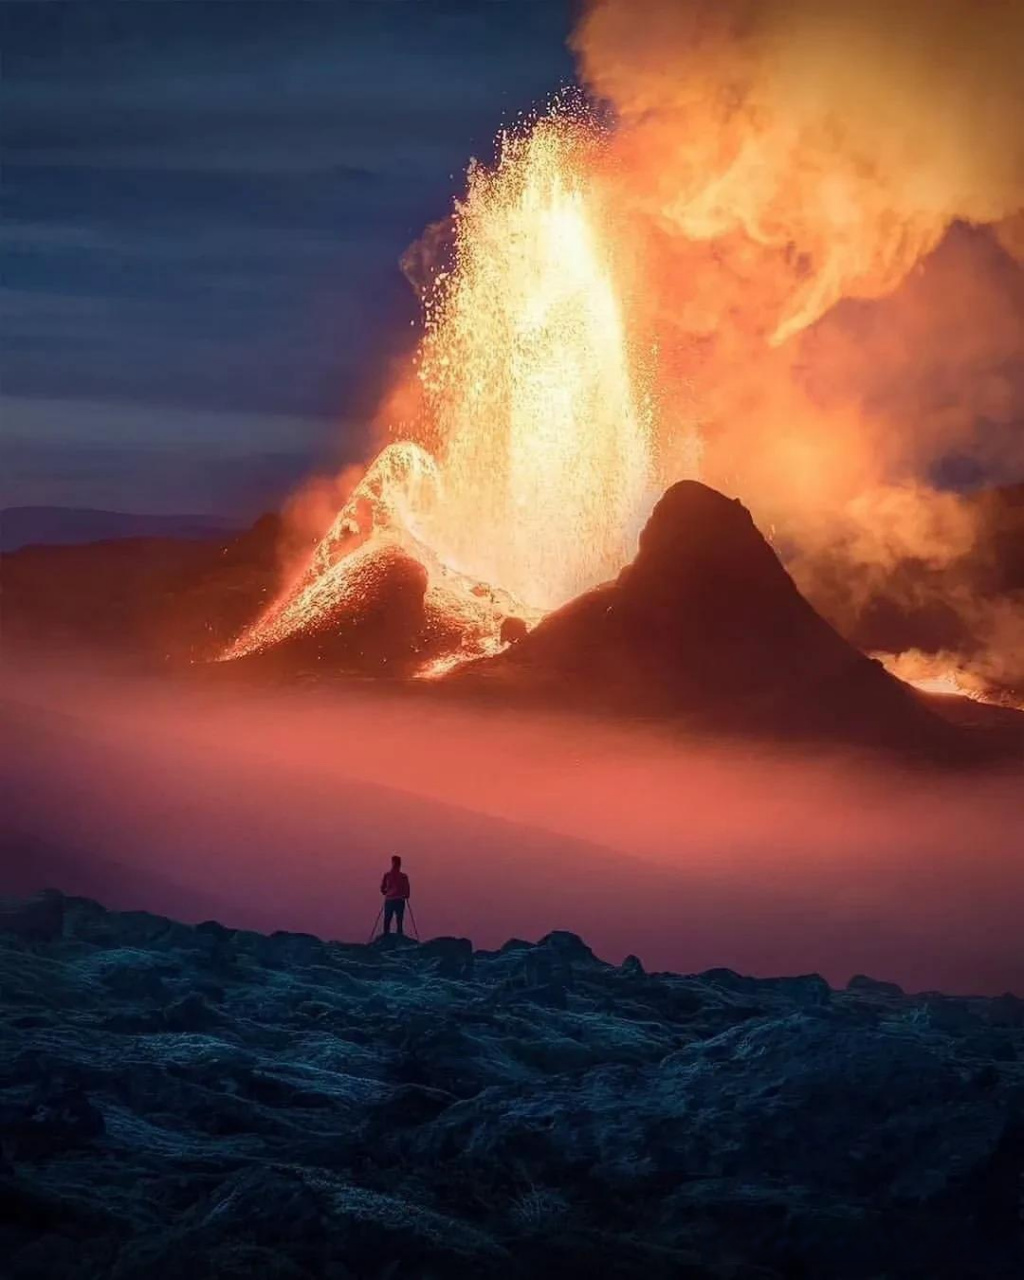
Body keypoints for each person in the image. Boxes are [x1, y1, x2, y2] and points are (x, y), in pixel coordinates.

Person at [380, 854, 411, 936]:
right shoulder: (402, 876)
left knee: (389, 919)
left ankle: (387, 937)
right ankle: (397, 936)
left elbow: (382, 889)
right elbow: (407, 891)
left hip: (391, 900)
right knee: (398, 920)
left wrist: (386, 892)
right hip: (398, 900)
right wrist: (405, 895)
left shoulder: (388, 875)